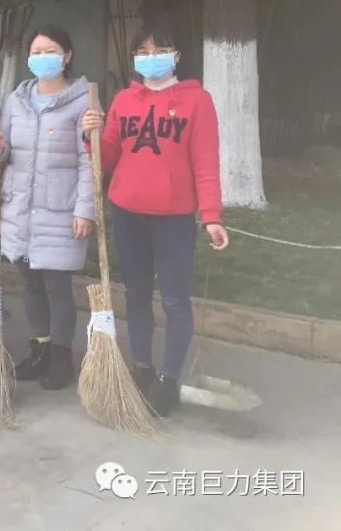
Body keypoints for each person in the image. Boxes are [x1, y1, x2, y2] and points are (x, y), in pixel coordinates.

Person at [83, 25, 229, 417]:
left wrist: (211, 216)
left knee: (175, 299)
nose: (152, 58)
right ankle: (143, 368)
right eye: (143, 51)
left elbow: (206, 162)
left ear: (177, 55)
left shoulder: (197, 101)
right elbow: (107, 157)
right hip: (127, 212)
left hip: (173, 217)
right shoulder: (124, 99)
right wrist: (90, 135)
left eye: (160, 49)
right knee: (136, 294)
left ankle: (168, 378)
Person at [0, 25, 94, 390]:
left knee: (58, 289)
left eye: (50, 51)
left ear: (67, 56)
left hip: (59, 210)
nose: (42, 57)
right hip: (20, 209)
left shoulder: (83, 101)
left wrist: (85, 210)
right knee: (30, 286)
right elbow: (6, 155)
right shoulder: (16, 100)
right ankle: (39, 350)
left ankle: (62, 358)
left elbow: (89, 161)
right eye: (36, 51)